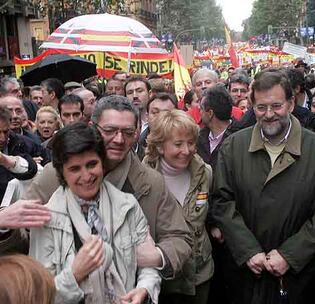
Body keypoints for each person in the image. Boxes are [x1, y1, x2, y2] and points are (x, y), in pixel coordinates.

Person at [22, 95, 192, 279]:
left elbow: (179, 237)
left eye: (127, 132)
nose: (119, 140)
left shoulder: (151, 182)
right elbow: (23, 233)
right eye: (110, 130)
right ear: (93, 128)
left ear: (137, 133)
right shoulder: (54, 175)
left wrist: (157, 257)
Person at [210, 70, 315, 304]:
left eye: (276, 106)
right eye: (261, 108)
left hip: (297, 280)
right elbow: (222, 202)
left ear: (290, 104)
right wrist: (248, 250)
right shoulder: (233, 146)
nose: (269, 115)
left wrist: (289, 255)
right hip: (245, 276)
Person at [29, 123, 161, 303]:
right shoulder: (47, 219)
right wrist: (75, 274)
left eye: (92, 164)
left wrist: (144, 288)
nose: (86, 176)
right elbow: (40, 295)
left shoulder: (128, 206)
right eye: (75, 169)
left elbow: (148, 264)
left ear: (103, 163)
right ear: (62, 173)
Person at [144, 110, 213, 304]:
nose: (186, 150)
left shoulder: (204, 173)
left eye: (191, 143)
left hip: (200, 275)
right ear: (159, 146)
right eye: (178, 144)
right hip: (165, 279)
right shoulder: (144, 180)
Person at [197, 85, 235, 170]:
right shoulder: (199, 138)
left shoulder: (238, 139)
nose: (199, 112)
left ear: (210, 113)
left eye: (201, 109)